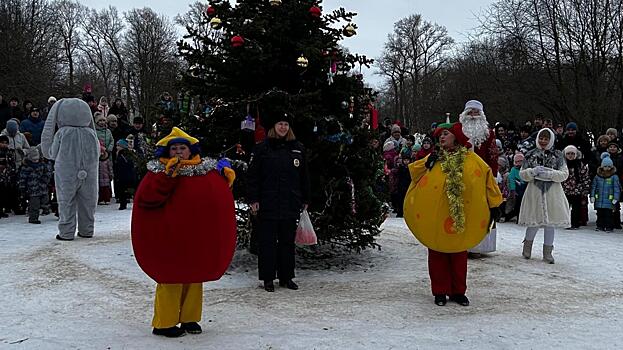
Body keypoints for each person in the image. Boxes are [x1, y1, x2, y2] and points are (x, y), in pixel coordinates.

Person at [131, 127, 236, 338]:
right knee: (170, 278)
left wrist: (225, 179)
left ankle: (190, 318)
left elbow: (215, 199)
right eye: (174, 148)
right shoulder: (158, 172)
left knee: (194, 276)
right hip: (169, 237)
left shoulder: (204, 171)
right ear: (167, 152)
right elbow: (148, 199)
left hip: (195, 237)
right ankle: (164, 322)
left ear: (191, 150)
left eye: (183, 148)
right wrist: (168, 176)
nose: (179, 152)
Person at [403, 122, 502, 306]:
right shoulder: (435, 157)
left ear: (456, 136)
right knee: (437, 252)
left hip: (461, 215)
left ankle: (458, 291)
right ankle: (439, 291)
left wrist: (495, 204)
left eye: (445, 133)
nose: (441, 137)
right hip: (437, 215)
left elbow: (488, 178)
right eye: (439, 135)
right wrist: (428, 161)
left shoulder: (471, 158)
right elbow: (414, 172)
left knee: (458, 254)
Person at [247, 108, 311, 293]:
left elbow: (304, 176)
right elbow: (253, 177)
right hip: (268, 202)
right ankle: (268, 278)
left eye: (285, 124)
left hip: (290, 202)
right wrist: (253, 199)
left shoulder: (298, 148)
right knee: (267, 242)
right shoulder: (262, 148)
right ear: (273, 127)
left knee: (287, 242)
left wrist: (305, 198)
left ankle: (286, 277)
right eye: (279, 124)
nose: (283, 127)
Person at [40, 98, 100, 241]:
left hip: (67, 172)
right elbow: (97, 152)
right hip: (89, 172)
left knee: (66, 201)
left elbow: (53, 153)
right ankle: (87, 229)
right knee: (88, 201)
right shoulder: (91, 133)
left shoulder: (62, 133)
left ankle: (66, 232)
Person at [519, 128, 570, 264]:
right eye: (541, 138)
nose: (543, 141)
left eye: (546, 139)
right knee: (533, 221)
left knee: (550, 223)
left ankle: (547, 253)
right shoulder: (530, 154)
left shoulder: (558, 155)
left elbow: (564, 174)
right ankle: (527, 247)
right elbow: (522, 174)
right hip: (534, 191)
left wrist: (551, 174)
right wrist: (532, 171)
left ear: (551, 140)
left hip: (552, 192)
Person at [459, 100, 499, 256]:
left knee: (481, 211)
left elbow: (493, 155)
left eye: (476, 112)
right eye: (470, 112)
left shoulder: (488, 133)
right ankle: (461, 245)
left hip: (482, 178)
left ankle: (479, 246)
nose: (473, 115)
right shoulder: (459, 131)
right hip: (462, 177)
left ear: (481, 114)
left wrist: (494, 176)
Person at [19, 147, 52, 224]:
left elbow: (47, 173)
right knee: (34, 205)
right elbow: (22, 178)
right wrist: (22, 188)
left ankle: (46, 209)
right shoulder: (26, 167)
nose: (35, 161)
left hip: (43, 187)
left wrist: (45, 180)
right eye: (33, 159)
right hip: (32, 190)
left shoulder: (42, 165)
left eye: (36, 159)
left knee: (46, 201)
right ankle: (33, 218)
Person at [562, 146, 591, 229]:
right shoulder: (562, 164)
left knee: (576, 208)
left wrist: (585, 188)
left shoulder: (580, 164)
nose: (570, 155)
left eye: (572, 154)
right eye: (568, 154)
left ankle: (575, 223)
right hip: (565, 190)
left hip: (577, 190)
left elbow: (585, 177)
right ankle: (565, 222)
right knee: (565, 207)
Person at [591, 153, 621, 232]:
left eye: (609, 166)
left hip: (609, 200)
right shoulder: (597, 176)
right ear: (602, 166)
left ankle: (609, 227)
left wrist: (616, 198)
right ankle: (600, 226)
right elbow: (594, 186)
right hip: (599, 200)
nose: (607, 168)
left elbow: (616, 188)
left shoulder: (614, 177)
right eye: (605, 166)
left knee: (609, 214)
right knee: (600, 214)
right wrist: (592, 196)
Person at [113, 139, 136, 210]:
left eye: (118, 146)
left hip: (125, 175)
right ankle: (123, 203)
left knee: (124, 190)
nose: (117, 147)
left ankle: (123, 204)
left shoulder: (123, 154)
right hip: (125, 175)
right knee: (124, 191)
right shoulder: (120, 154)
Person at [0, 135, 17, 218]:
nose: (4, 144)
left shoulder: (10, 152)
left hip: (8, 176)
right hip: (1, 177)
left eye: (6, 143)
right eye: (2, 143)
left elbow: (12, 163)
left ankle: (8, 207)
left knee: (7, 193)